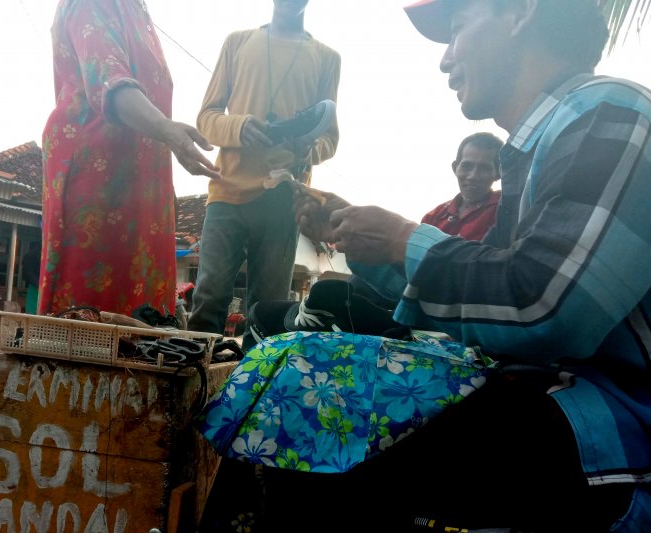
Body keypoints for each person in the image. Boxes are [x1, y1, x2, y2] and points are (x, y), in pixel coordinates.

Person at [198, 1, 651, 531]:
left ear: (521, 12)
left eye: (457, 31)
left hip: (612, 419)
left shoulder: (609, 112)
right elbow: (498, 294)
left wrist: (403, 240)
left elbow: (543, 304)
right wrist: (369, 244)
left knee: (303, 386)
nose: (446, 59)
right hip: (553, 390)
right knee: (291, 370)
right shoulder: (543, 144)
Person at [37, 0, 221, 317]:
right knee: (89, 317)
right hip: (99, 178)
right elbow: (108, 81)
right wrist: (168, 131)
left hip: (142, 187)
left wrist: (164, 183)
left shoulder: (136, 9)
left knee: (143, 323)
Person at [186, 0, 341, 349]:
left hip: (284, 197)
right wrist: (239, 126)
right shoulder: (237, 42)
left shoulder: (327, 57)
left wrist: (306, 149)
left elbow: (329, 138)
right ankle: (193, 388)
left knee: (268, 309)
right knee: (208, 297)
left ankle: (253, 394)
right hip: (227, 191)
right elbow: (206, 118)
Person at [420, 131, 503, 240]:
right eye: (466, 166)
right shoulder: (433, 218)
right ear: (455, 168)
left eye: (484, 168)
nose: (473, 176)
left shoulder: (505, 213)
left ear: (498, 174)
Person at [21, 241, 41, 314]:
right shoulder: (34, 255)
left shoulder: (30, 255)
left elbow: (26, 272)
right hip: (36, 285)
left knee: (32, 312)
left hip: (35, 284)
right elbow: (27, 272)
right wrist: (37, 284)